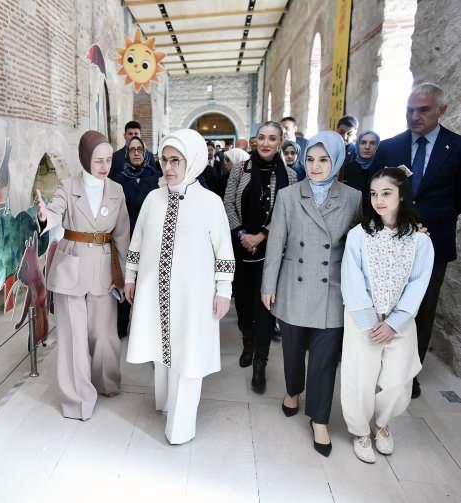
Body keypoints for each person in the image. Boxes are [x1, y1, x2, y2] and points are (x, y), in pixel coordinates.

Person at [124, 128, 234, 445]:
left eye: (176, 161)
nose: (168, 167)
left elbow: (224, 251)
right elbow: (137, 240)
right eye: (164, 160)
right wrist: (130, 276)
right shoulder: (153, 199)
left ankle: (180, 428)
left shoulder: (210, 203)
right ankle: (165, 404)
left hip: (193, 296)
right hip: (155, 292)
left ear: (193, 161)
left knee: (189, 357)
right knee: (161, 351)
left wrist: (223, 291)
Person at [261, 131, 362, 457]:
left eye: (324, 160)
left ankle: (319, 419)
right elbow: (276, 243)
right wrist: (268, 285)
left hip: (333, 289)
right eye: (310, 159)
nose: (315, 166)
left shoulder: (354, 198)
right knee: (292, 351)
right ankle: (293, 391)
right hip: (293, 284)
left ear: (337, 161)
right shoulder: (289, 195)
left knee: (324, 359)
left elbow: (364, 242)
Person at [370, 82, 461, 398]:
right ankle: (383, 366)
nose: (415, 116)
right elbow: (375, 192)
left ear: (441, 110)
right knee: (388, 303)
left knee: (422, 309)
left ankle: (410, 374)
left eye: (423, 110)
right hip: (391, 242)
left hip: (434, 245)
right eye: (410, 110)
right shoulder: (390, 148)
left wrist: (433, 220)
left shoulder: (456, 148)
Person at [340, 166, 434, 463]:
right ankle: (360, 431)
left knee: (397, 380)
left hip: (400, 321)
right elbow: (351, 278)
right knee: (360, 377)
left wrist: (394, 323)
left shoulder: (420, 241)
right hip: (362, 320)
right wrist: (370, 320)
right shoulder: (358, 235)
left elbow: (419, 283)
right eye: (373, 194)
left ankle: (382, 424)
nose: (378, 200)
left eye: (386, 193)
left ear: (402, 195)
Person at [35, 130, 130, 420]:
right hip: (71, 269)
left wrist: (125, 276)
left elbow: (122, 234)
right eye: (98, 160)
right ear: (85, 158)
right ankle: (77, 401)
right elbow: (55, 212)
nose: (105, 166)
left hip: (104, 268)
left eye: (108, 160)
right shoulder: (68, 186)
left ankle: (106, 381)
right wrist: (44, 216)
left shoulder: (116, 190)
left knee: (104, 335)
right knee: (73, 338)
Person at [224, 122, 296, 392]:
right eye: (262, 138)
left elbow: (287, 214)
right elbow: (228, 202)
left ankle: (260, 363)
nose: (266, 143)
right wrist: (243, 234)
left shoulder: (290, 176)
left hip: (271, 250)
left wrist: (262, 236)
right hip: (241, 247)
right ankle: (248, 342)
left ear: (280, 142)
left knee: (265, 307)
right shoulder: (241, 169)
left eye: (272, 138)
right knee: (243, 303)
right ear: (255, 140)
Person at [109, 135, 161, 338]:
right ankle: (121, 328)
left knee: (147, 284)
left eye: (140, 149)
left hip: (150, 239)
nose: (136, 153)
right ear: (127, 154)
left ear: (145, 153)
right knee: (125, 282)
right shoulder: (118, 179)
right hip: (126, 238)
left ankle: (145, 331)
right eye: (132, 150)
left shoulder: (155, 177)